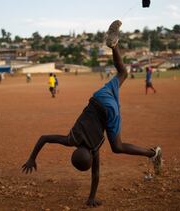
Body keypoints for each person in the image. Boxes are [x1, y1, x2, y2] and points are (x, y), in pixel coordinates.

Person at [22, 20, 162, 207]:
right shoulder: (70, 139)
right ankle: (114, 45)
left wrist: (91, 197)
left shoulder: (94, 149)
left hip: (109, 109)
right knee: (122, 73)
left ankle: (152, 153)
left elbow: (95, 174)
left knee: (117, 146)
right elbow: (44, 138)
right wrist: (32, 157)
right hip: (99, 97)